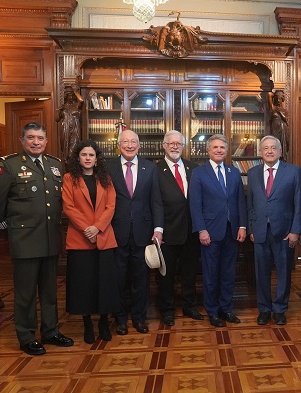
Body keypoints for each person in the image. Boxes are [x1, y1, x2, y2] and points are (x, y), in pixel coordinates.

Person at [0, 122, 74, 356]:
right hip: (25, 238)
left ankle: (50, 331)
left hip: (50, 237)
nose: (36, 142)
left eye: (40, 138)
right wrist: (4, 224)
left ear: (46, 142)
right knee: (25, 292)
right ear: (22, 140)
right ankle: (26, 336)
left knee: (49, 290)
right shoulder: (10, 164)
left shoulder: (55, 165)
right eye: (31, 138)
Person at [62, 140, 120, 344]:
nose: (88, 158)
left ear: (97, 159)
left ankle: (104, 321)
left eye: (91, 155)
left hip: (104, 237)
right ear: (78, 158)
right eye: (84, 155)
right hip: (80, 238)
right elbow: (68, 207)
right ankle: (87, 323)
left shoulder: (105, 179)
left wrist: (97, 227)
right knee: (83, 284)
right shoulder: (70, 178)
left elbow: (111, 206)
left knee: (105, 283)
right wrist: (87, 229)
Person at [107, 129, 164, 335]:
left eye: (133, 142)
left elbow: (156, 201)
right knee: (119, 278)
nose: (129, 145)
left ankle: (139, 318)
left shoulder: (150, 168)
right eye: (125, 142)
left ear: (139, 145)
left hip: (144, 233)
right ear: (119, 144)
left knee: (141, 280)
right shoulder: (108, 167)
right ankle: (120, 319)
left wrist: (158, 229)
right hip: (116, 232)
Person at [190, 134, 248, 327]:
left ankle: (226, 309)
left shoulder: (233, 172)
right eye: (215, 147)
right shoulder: (199, 173)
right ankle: (212, 311)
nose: (219, 150)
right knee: (211, 274)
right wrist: (201, 229)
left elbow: (240, 200)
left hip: (232, 231)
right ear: (208, 150)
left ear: (226, 150)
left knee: (229, 273)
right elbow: (195, 205)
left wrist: (242, 226)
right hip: (210, 232)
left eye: (222, 147)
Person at [247, 135, 301, 326]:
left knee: (284, 272)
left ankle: (280, 309)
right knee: (261, 273)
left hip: (285, 231)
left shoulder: (293, 171)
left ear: (280, 152)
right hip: (260, 231)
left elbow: (299, 203)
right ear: (260, 152)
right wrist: (251, 228)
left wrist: (295, 230)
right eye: (266, 148)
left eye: (273, 148)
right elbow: (250, 204)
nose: (270, 151)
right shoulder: (253, 173)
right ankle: (264, 309)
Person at [155, 130, 203, 326]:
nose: (175, 147)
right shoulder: (155, 170)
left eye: (179, 144)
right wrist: (157, 229)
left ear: (183, 147)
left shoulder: (194, 168)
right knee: (165, 275)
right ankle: (167, 310)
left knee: (189, 272)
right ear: (164, 146)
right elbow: (154, 202)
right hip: (167, 231)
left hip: (191, 231)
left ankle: (189, 306)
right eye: (171, 143)